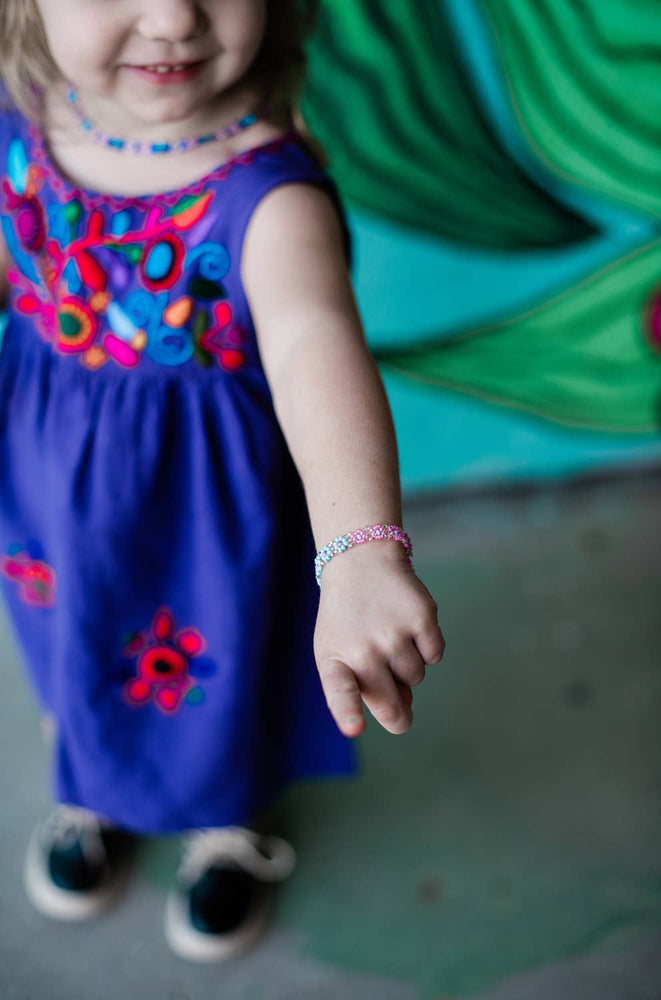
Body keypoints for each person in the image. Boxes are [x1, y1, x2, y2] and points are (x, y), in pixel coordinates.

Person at [0, 0, 446, 963]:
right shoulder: (23, 114)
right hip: (50, 489)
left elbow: (311, 343)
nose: (171, 17)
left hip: (205, 513)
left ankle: (221, 823)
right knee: (69, 634)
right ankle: (92, 787)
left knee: (215, 671)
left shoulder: (265, 193)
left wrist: (360, 551)